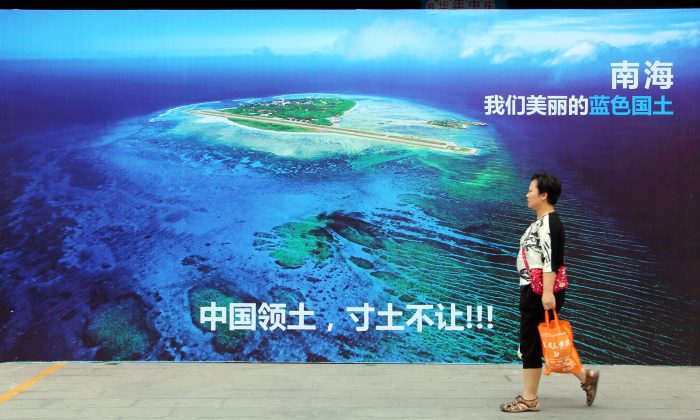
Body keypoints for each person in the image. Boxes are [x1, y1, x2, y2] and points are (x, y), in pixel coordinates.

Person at [500, 173, 600, 413]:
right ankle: (586, 377)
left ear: (544, 195)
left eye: (531, 190)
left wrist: (546, 293)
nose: (527, 194)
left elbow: (551, 262)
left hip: (539, 292)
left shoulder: (549, 224)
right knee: (543, 342)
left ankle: (529, 399)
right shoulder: (540, 222)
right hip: (535, 289)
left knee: (531, 344)